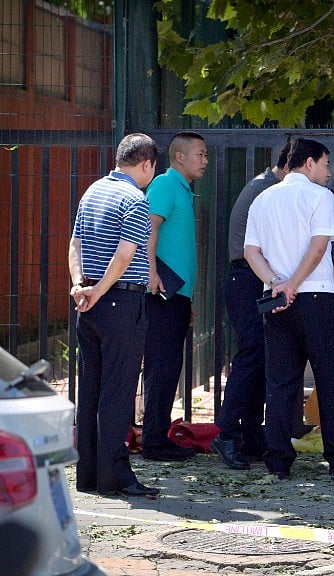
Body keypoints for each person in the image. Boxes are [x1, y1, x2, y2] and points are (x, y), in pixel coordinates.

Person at [244, 137, 334, 479]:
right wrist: (293, 283)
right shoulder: (320, 197)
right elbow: (319, 246)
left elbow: (251, 252)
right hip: (315, 298)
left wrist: (277, 282)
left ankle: (278, 460)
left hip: (277, 301)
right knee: (328, 380)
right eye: (325, 165)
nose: (328, 173)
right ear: (309, 163)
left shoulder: (262, 198)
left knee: (280, 384)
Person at [68, 133, 160, 497]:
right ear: (147, 164)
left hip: (87, 303)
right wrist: (100, 290)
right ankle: (115, 477)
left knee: (89, 391)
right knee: (118, 392)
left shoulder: (92, 191)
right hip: (120, 302)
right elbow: (125, 255)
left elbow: (74, 243)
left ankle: (88, 476)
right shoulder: (135, 198)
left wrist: (80, 286)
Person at [211, 141, 291, 470]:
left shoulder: (265, 186)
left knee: (259, 354)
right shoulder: (267, 190)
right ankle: (227, 433)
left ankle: (250, 435)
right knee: (253, 352)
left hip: (249, 279)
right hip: (246, 279)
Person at [140, 131, 207, 462]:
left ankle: (157, 436)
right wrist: (151, 272)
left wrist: (186, 297)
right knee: (162, 366)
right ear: (179, 157)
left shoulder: (182, 190)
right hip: (161, 293)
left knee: (168, 366)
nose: (205, 160)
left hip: (175, 294)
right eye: (200, 154)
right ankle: (153, 441)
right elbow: (148, 227)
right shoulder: (166, 185)